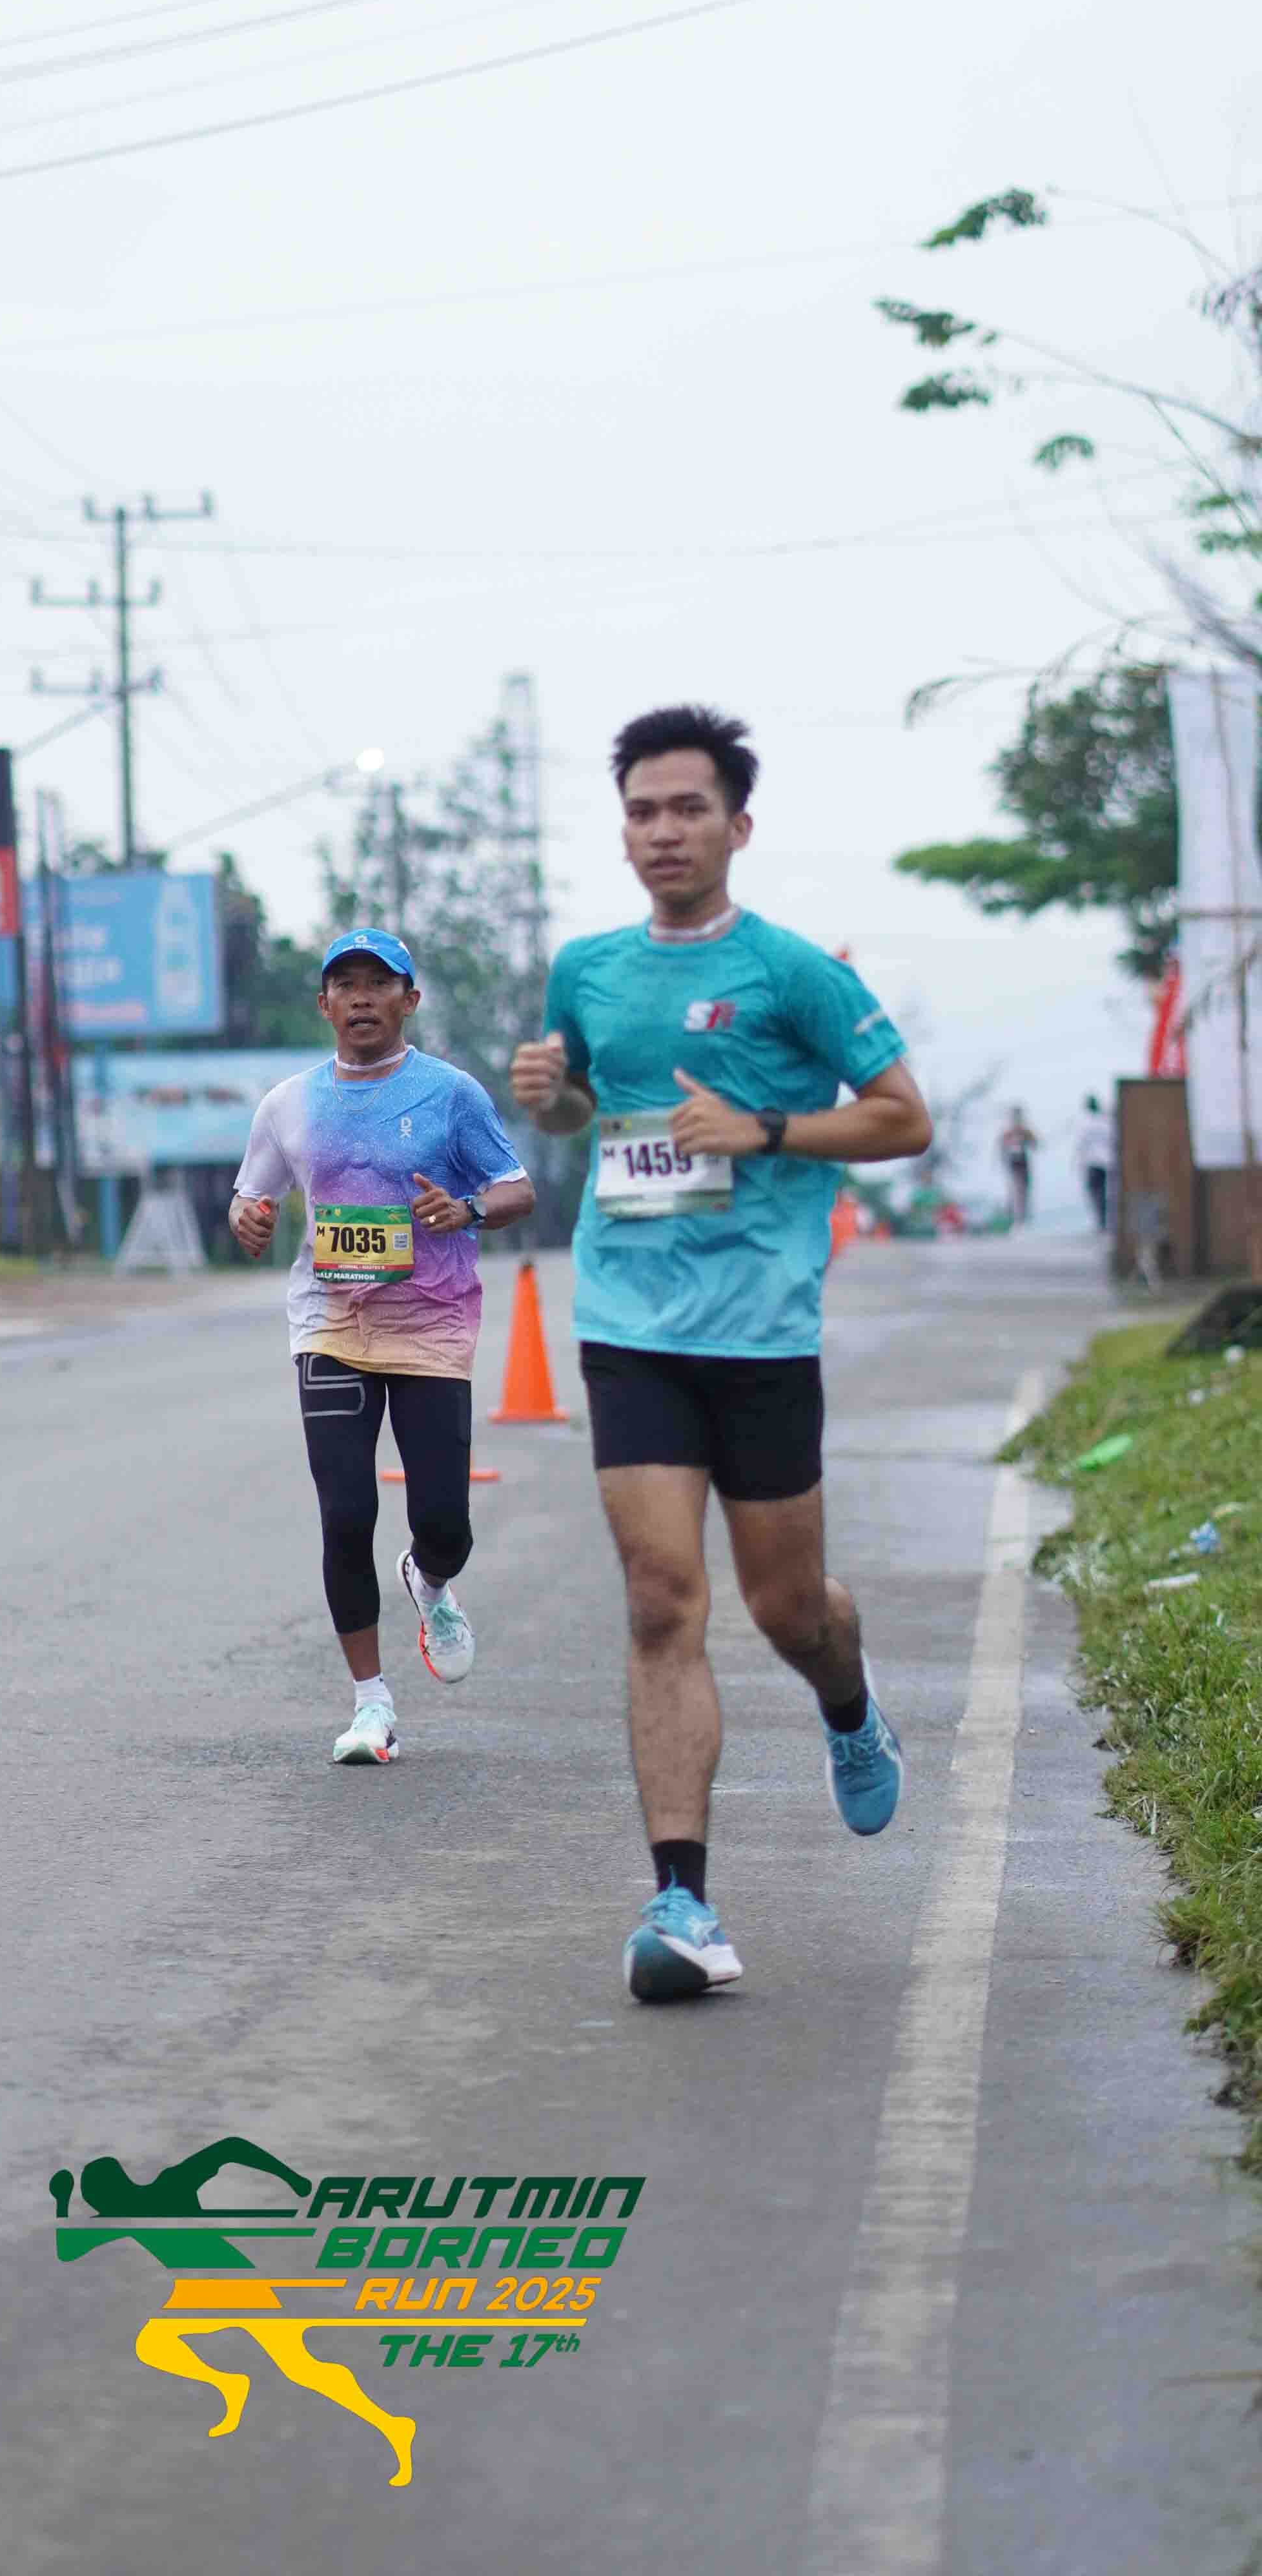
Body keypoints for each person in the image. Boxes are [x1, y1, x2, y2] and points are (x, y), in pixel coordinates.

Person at [509, 705, 932, 2004]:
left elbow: (903, 1118)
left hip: (759, 1327)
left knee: (787, 1608)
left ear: (737, 825)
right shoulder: (586, 968)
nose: (663, 830)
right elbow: (589, 1106)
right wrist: (552, 1096)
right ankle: (681, 1900)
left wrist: (765, 1128)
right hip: (629, 1319)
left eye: (687, 807)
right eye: (642, 809)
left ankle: (847, 1702)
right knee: (659, 1598)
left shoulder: (794, 972)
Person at [232, 930, 534, 1766]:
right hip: (330, 1326)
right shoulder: (288, 1104)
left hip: (432, 1325)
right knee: (345, 1511)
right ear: (324, 1005)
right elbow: (250, 1196)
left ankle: (430, 1578)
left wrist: (467, 1211)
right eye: (345, 984)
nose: (361, 997)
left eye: (379, 982)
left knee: (445, 1523)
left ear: (410, 999)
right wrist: (248, 1219)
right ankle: (371, 1702)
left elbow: (517, 1188)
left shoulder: (452, 1094)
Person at [1074, 1094, 1112, 1232]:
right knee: (1104, 1192)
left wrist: (1078, 1163)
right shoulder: (1106, 1121)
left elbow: (1081, 1144)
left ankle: (1100, 1222)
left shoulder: (1085, 1123)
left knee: (1095, 1192)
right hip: (1107, 1162)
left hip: (1092, 1163)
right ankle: (1104, 1221)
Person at [999, 1106, 1037, 1226]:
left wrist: (1029, 1139)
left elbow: (1035, 1143)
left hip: (1023, 1161)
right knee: (1017, 1189)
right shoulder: (1008, 1132)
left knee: (1024, 1188)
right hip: (1013, 1162)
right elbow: (1002, 1147)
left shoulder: (1024, 1130)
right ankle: (1016, 1217)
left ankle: (1022, 1216)